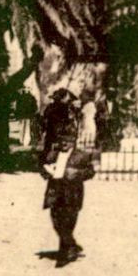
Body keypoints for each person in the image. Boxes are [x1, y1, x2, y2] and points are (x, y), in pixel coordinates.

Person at [40, 93, 91, 265]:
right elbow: (43, 167)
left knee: (68, 220)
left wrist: (76, 174)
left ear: (72, 141)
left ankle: (67, 249)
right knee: (55, 219)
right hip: (55, 189)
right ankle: (70, 246)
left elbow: (90, 172)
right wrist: (47, 171)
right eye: (61, 141)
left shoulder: (80, 156)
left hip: (72, 191)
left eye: (67, 141)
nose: (64, 144)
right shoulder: (53, 154)